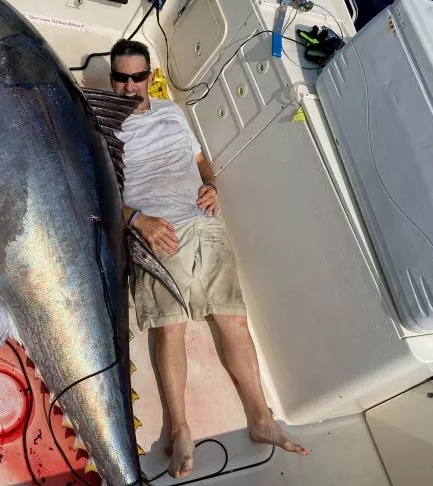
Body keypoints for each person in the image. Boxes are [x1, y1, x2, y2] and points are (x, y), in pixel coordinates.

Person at [110, 39, 309, 479]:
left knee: (232, 319)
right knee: (170, 328)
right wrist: (137, 220)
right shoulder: (103, 125)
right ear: (112, 80)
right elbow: (99, 187)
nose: (129, 86)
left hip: (203, 220)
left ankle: (261, 418)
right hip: (155, 227)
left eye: (137, 77)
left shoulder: (171, 112)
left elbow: (201, 160)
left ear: (148, 78)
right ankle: (179, 429)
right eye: (121, 78)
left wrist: (212, 185)